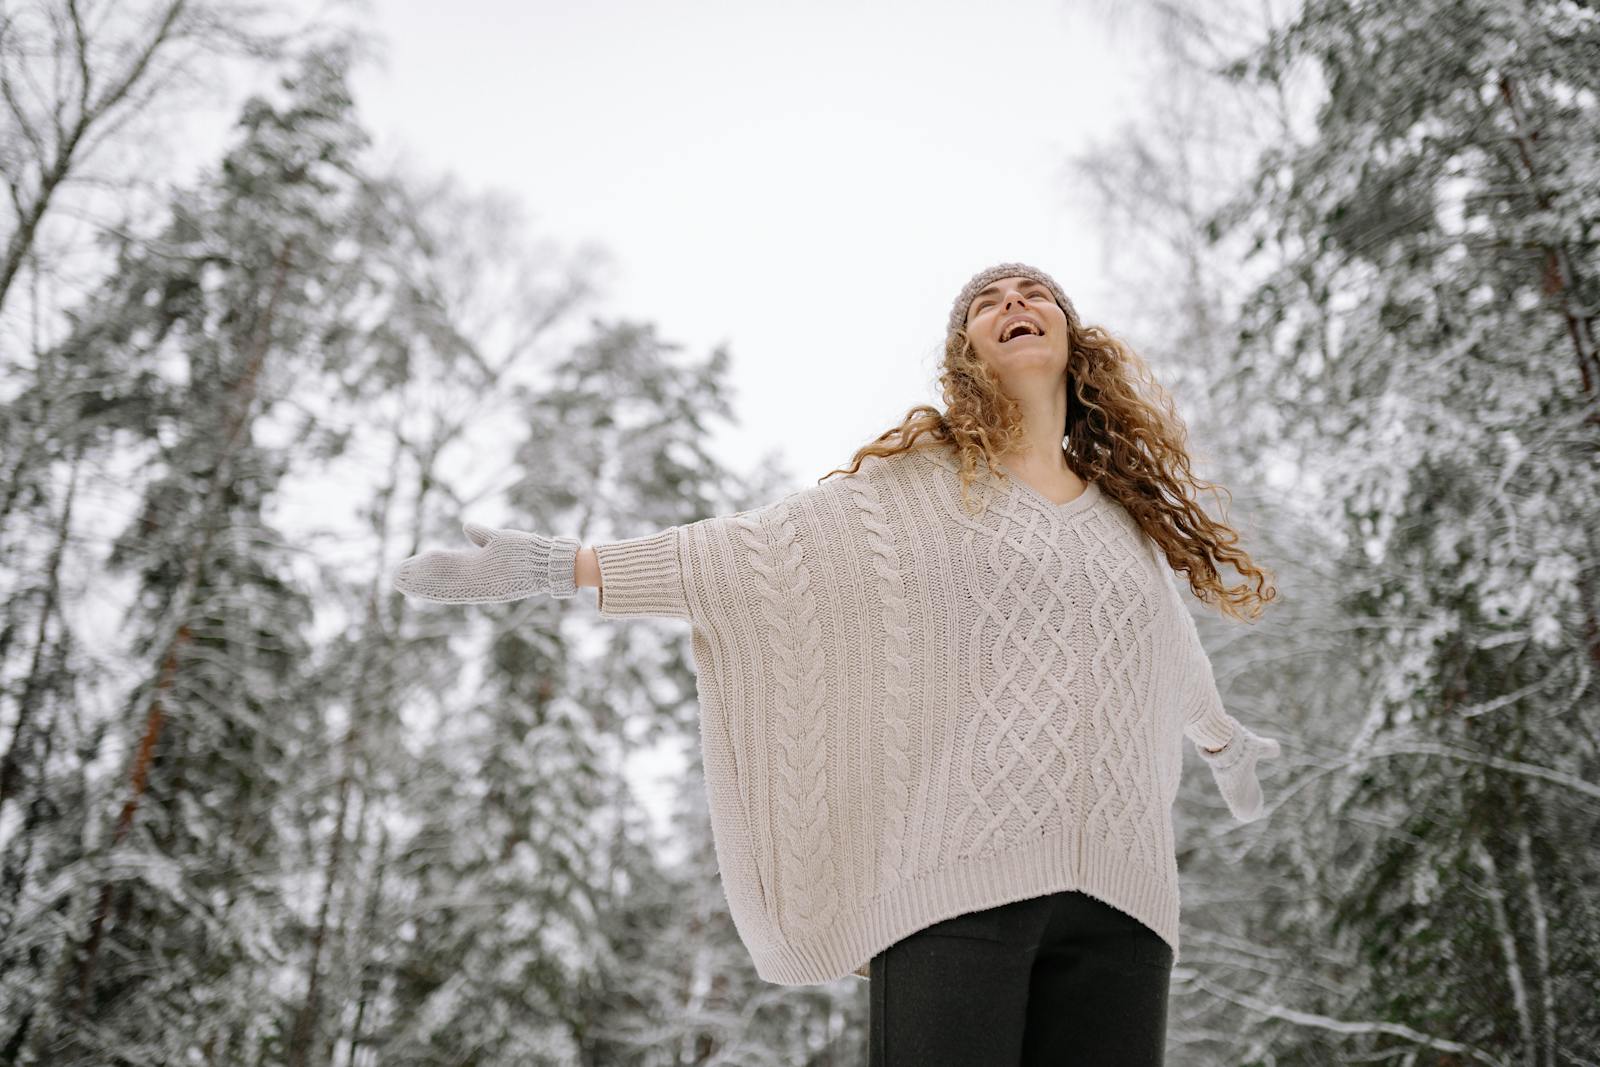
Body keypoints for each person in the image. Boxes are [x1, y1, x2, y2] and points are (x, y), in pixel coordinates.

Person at [391, 262, 1284, 1066]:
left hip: (1128, 904)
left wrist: (1221, 741)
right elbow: (748, 556)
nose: (1014, 302)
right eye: (987, 302)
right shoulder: (923, 489)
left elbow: (1170, 654)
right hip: (957, 884)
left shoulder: (1127, 528)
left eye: (1034, 292)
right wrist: (564, 566)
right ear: (964, 352)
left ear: (1073, 338)